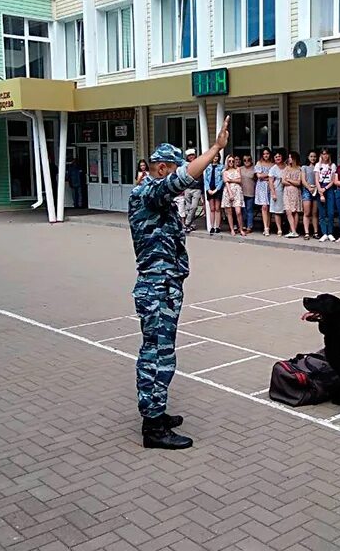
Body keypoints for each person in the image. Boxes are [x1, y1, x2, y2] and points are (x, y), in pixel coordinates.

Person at [128, 116, 230, 449]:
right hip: (157, 289)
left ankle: (155, 412)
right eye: (172, 169)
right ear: (161, 169)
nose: (177, 176)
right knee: (159, 355)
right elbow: (183, 179)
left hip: (163, 287)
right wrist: (215, 149)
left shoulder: (156, 196)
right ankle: (154, 427)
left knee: (158, 352)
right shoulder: (149, 193)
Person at [315, 149, 336, 242]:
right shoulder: (318, 165)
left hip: (329, 188)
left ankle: (330, 232)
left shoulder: (332, 165)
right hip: (320, 187)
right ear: (321, 155)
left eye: (327, 154)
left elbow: (333, 180)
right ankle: (324, 233)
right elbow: (316, 179)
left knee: (331, 212)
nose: (325, 156)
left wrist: (326, 189)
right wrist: (321, 192)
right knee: (322, 213)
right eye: (323, 154)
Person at [221, 155, 245, 236]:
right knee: (229, 212)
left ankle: (241, 229)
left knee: (238, 211)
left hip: (237, 191)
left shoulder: (238, 169)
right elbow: (225, 182)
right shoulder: (224, 171)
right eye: (229, 161)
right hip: (228, 191)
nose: (231, 162)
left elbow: (240, 180)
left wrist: (231, 180)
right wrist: (230, 193)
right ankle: (232, 229)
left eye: (232, 161)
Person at [283, 151, 304, 238]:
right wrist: (291, 182)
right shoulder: (286, 168)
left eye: (291, 157)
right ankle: (293, 231)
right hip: (287, 192)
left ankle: (293, 230)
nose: (289, 159)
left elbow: (299, 183)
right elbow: (283, 181)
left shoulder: (299, 169)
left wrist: (289, 180)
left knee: (294, 211)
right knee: (288, 211)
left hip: (295, 192)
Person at [254, 147, 273, 236]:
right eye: (264, 154)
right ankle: (265, 227)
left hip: (270, 186)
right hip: (261, 186)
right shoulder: (259, 163)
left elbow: (274, 176)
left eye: (267, 153)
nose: (266, 155)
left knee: (269, 207)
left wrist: (266, 176)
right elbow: (259, 176)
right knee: (264, 206)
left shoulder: (273, 164)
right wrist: (269, 176)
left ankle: (268, 226)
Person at [183, 149, 203, 233]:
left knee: (194, 207)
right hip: (187, 188)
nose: (191, 157)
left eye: (192, 155)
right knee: (187, 208)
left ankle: (187, 223)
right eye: (189, 155)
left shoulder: (199, 163)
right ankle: (192, 225)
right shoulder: (185, 165)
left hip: (197, 188)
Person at [203, 154, 224, 234]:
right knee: (212, 209)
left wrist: (216, 189)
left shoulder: (221, 167)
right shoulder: (208, 167)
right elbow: (205, 179)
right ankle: (212, 226)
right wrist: (208, 189)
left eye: (217, 156)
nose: (215, 158)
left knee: (217, 208)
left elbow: (222, 179)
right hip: (210, 188)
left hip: (217, 189)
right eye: (214, 156)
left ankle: (217, 226)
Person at [301, 150, 318, 240]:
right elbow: (303, 180)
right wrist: (309, 188)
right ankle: (306, 232)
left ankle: (315, 232)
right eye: (311, 156)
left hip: (316, 190)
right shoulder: (304, 167)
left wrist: (315, 188)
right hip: (307, 190)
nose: (313, 158)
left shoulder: (318, 167)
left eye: (314, 156)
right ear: (308, 157)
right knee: (307, 213)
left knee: (314, 213)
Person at [268, 150, 286, 236]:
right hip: (277, 190)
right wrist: (273, 193)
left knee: (287, 210)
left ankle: (288, 228)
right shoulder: (273, 168)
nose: (278, 158)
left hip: (287, 190)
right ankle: (279, 229)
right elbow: (270, 182)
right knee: (277, 211)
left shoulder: (287, 166)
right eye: (276, 157)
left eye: (279, 156)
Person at [239, 154, 256, 234]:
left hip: (251, 192)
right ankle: (243, 226)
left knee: (249, 210)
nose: (247, 161)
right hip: (241, 192)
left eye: (248, 159)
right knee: (242, 210)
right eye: (245, 160)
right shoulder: (240, 169)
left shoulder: (255, 169)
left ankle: (249, 226)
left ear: (251, 160)